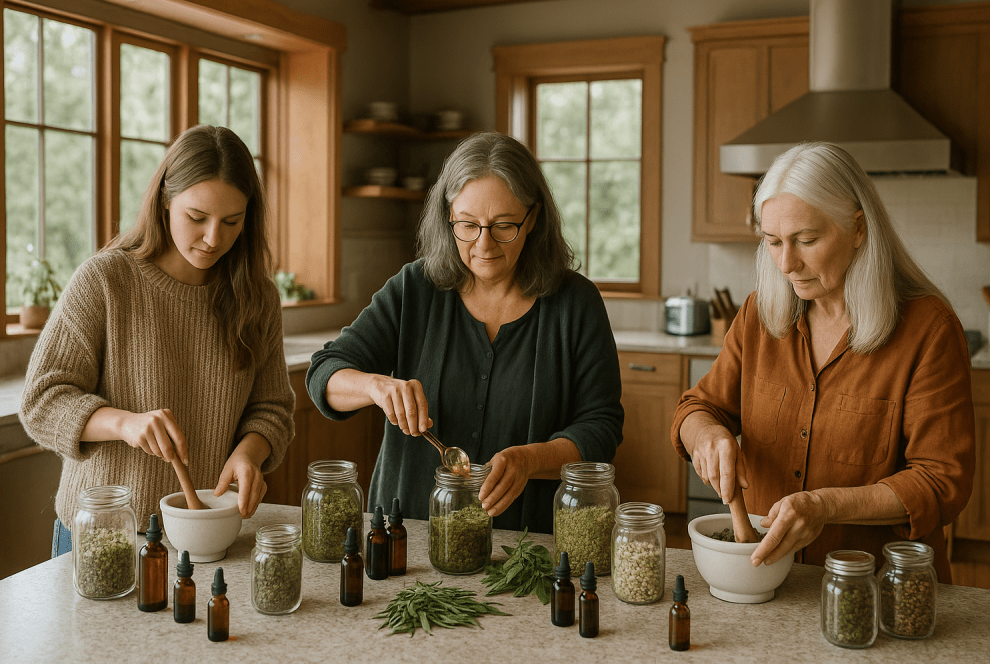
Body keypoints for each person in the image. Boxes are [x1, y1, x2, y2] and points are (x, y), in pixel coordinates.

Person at [672, 141, 974, 582]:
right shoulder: (759, 314)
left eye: (806, 240)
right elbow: (695, 408)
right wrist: (708, 436)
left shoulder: (929, 329)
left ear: (857, 229)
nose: (787, 264)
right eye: (773, 242)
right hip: (770, 581)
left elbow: (943, 479)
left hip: (879, 589)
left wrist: (825, 505)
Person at [306, 131, 624, 533]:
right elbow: (323, 373)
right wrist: (376, 387)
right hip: (409, 535)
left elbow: (601, 428)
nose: (484, 244)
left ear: (534, 218)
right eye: (468, 225)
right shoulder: (414, 289)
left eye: (504, 225)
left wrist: (531, 460)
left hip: (525, 547)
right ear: (448, 215)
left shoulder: (575, 304)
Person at [20, 125, 295, 554]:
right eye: (196, 217)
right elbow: (41, 402)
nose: (213, 238)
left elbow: (272, 408)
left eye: (232, 221)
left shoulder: (257, 298)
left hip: (202, 538)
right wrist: (125, 423)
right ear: (165, 200)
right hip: (102, 537)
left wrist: (250, 454)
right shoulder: (106, 280)